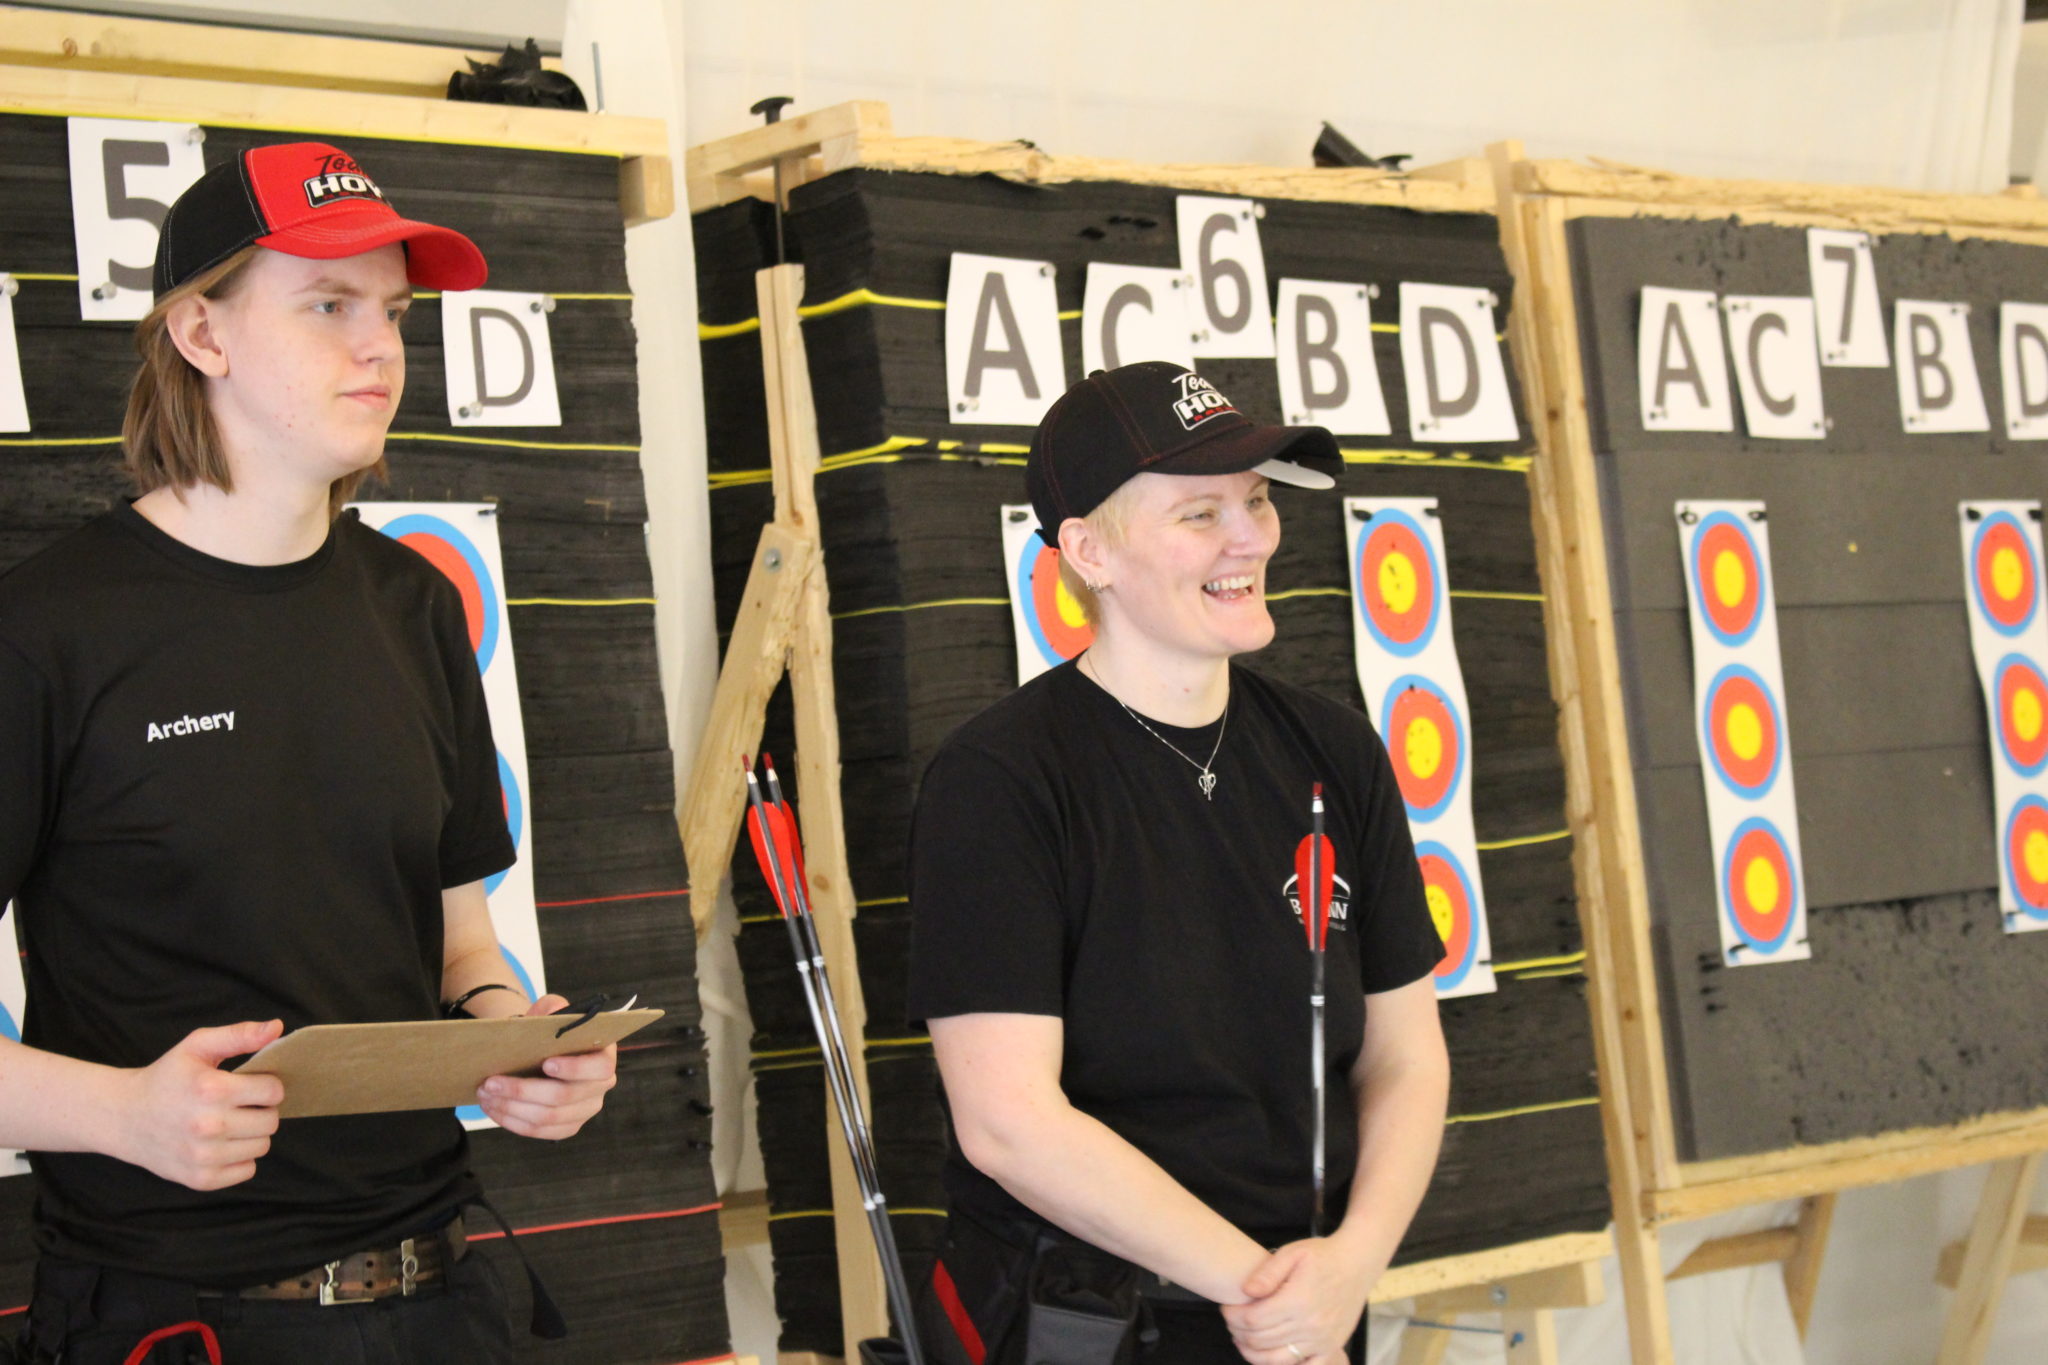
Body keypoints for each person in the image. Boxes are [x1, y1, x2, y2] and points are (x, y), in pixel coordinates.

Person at [0, 141, 616, 1364]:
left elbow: (459, 943)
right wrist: (121, 1113)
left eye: (393, 312)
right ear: (202, 334)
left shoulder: (412, 605)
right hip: (176, 1314)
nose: (380, 347)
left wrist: (515, 1045)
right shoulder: (47, 631)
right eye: (329, 305)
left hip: (441, 1292)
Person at [906, 362, 1451, 1365]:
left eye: (1256, 500)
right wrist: (1267, 1298)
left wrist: (1350, 1265)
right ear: (1089, 551)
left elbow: (1404, 1056)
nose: (1252, 537)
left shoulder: (1334, 751)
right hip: (1090, 1320)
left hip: (1307, 1311)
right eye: (1201, 514)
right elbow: (1009, 1123)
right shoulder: (998, 779)